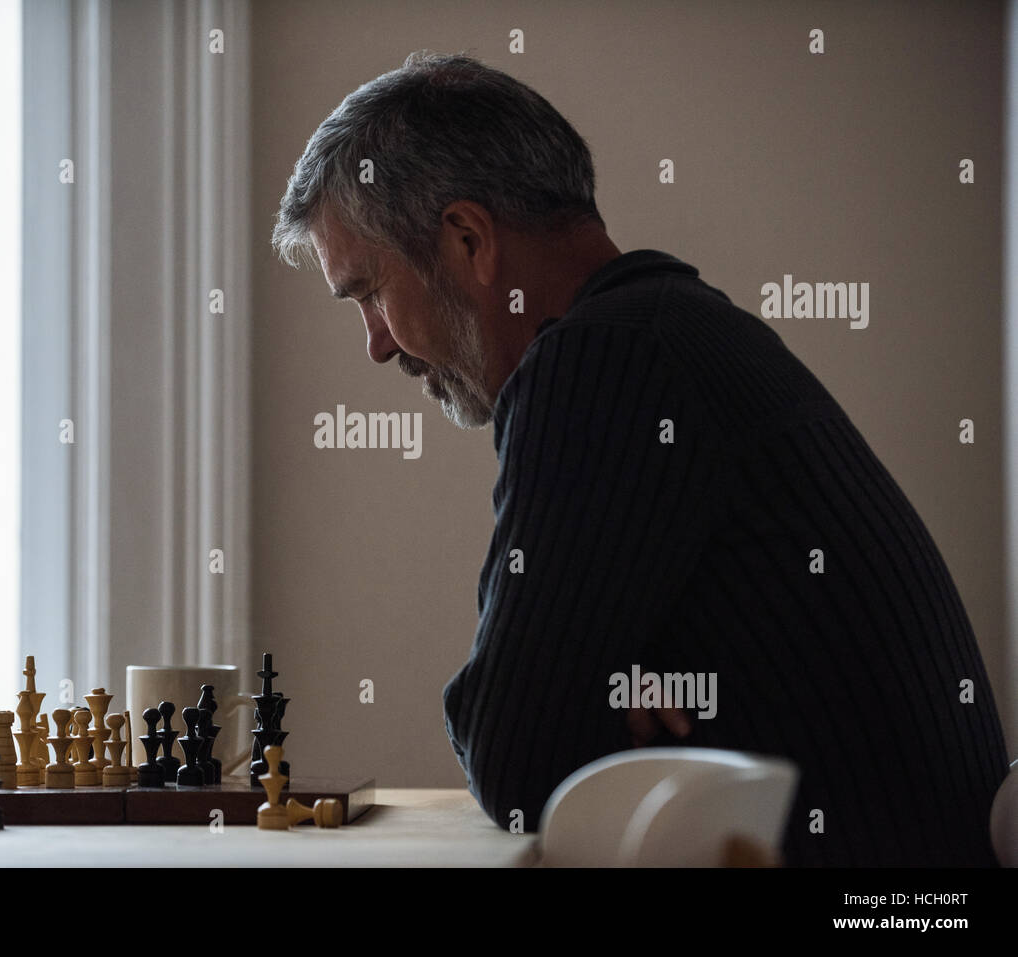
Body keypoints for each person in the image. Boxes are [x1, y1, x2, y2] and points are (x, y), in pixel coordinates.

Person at [270, 50, 1010, 865]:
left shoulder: (603, 363)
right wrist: (601, 693)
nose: (376, 345)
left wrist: (575, 706)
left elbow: (516, 753)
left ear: (469, 238)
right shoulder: (676, 332)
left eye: (370, 292)